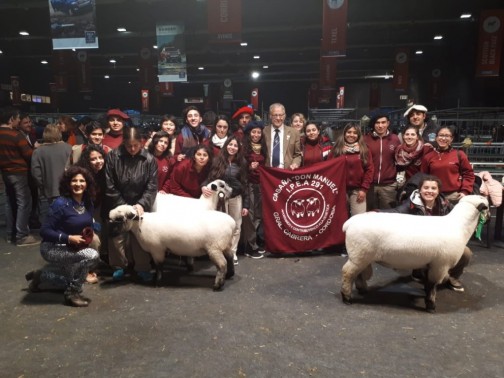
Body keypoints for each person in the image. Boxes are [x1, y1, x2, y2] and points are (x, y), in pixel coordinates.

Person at [380, 174, 471, 292]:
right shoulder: (411, 204)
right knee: (429, 274)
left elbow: (460, 218)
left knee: (466, 253)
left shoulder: (445, 204)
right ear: (420, 190)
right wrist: (375, 212)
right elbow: (396, 211)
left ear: (438, 191)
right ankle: (420, 272)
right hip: (419, 245)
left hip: (442, 243)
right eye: (426, 188)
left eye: (433, 188)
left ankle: (452, 277)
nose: (429, 191)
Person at [25, 166, 100, 307]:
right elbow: (44, 231)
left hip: (72, 247)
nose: (78, 184)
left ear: (87, 184)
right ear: (68, 183)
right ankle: (72, 293)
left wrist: (92, 230)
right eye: (74, 180)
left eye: (82, 181)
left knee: (69, 280)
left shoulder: (88, 201)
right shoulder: (60, 203)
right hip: (53, 247)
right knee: (92, 255)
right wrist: (68, 238)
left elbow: (88, 222)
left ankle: (39, 276)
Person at [105, 126, 158, 282]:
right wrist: (123, 207)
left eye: (136, 145)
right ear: (123, 143)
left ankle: (142, 267)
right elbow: (109, 184)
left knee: (140, 237)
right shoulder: (113, 156)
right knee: (117, 236)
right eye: (129, 146)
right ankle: (119, 266)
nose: (133, 149)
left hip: (140, 203)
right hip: (117, 202)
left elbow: (152, 185)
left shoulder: (148, 159)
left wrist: (142, 204)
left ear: (141, 142)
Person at [205, 136, 249, 265]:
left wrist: (246, 205)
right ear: (226, 146)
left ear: (238, 149)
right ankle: (221, 251)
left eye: (235, 146)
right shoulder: (217, 161)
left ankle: (232, 252)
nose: (232, 148)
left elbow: (245, 183)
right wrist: (203, 186)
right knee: (221, 227)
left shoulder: (242, 163)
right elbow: (209, 178)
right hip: (220, 200)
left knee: (236, 225)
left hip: (236, 198)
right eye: (230, 145)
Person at [0, 106, 40, 246]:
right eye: (18, 119)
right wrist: (36, 150)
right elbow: (29, 155)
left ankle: (11, 234)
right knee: (23, 203)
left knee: (10, 202)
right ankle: (22, 235)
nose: (19, 122)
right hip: (19, 172)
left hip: (5, 173)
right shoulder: (16, 135)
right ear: (11, 119)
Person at [76, 145, 107, 284]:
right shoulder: (80, 175)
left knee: (102, 236)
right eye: (93, 159)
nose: (98, 161)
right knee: (92, 240)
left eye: (100, 157)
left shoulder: (104, 172)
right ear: (86, 161)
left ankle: (95, 264)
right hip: (81, 211)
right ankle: (86, 270)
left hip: (97, 208)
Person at [421, 125, 475, 204]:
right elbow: (423, 176)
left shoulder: (459, 155)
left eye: (447, 136)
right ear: (436, 137)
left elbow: (468, 174)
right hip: (433, 196)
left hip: (454, 196)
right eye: (441, 135)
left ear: (451, 139)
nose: (443, 138)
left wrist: (465, 191)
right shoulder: (428, 157)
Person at [330, 123, 374, 217]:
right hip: (340, 190)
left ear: (358, 135)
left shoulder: (364, 149)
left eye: (355, 133)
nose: (352, 135)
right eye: (349, 132)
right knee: (340, 219)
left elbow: (369, 170)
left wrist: (364, 189)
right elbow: (330, 168)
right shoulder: (336, 149)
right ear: (344, 133)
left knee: (358, 220)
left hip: (358, 191)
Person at [31, 124, 72, 222]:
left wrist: (42, 185)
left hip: (50, 189)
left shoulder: (38, 152)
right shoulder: (69, 148)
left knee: (54, 216)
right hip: (68, 187)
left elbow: (36, 173)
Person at [364, 112, 401, 210]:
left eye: (383, 122)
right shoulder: (365, 139)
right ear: (373, 124)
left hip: (389, 185)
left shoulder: (395, 139)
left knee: (388, 214)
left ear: (388, 123)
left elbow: (399, 159)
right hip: (370, 185)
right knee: (370, 213)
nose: (380, 126)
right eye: (377, 123)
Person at [242, 121, 267, 258]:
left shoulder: (263, 147)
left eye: (258, 132)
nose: (256, 135)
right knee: (249, 216)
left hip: (261, 185)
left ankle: (253, 242)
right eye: (253, 132)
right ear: (249, 133)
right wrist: (249, 168)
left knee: (258, 215)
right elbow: (239, 167)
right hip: (249, 184)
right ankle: (250, 246)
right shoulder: (244, 148)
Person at [263, 103, 302, 170]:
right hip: (268, 174)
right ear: (270, 116)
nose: (278, 118)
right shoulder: (263, 131)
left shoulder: (294, 133)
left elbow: (297, 155)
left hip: (287, 173)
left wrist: (295, 163)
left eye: (281, 115)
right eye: (275, 115)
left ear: (285, 116)